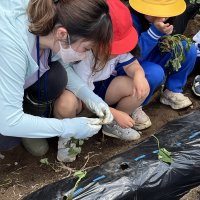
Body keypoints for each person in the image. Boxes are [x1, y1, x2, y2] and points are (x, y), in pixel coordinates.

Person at [0, 0, 113, 157]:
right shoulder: (13, 45)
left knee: (57, 75)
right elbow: (8, 122)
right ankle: (25, 124)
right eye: (86, 48)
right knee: (7, 140)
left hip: (11, 81)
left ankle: (29, 119)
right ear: (62, 34)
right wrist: (67, 127)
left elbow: (63, 65)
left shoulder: (50, 27)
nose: (86, 54)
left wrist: (90, 97)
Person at [61, 0, 150, 162]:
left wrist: (139, 75)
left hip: (99, 93)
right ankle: (69, 136)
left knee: (137, 87)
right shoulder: (84, 55)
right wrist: (115, 113)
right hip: (81, 100)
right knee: (66, 102)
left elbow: (132, 65)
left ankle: (110, 126)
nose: (117, 53)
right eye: (113, 49)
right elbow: (84, 95)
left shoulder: (117, 50)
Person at [120, 0, 197, 119]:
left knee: (187, 48)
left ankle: (172, 90)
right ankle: (135, 105)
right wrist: (154, 33)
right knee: (154, 73)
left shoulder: (161, 19)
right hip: (132, 66)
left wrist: (165, 38)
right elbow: (131, 57)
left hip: (151, 57)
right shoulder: (130, 21)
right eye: (156, 10)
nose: (163, 15)